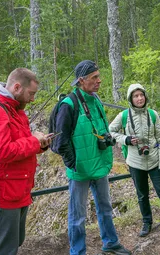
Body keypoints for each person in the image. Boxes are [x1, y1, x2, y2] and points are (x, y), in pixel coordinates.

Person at [54, 60, 131, 255]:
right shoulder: (68, 104)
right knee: (77, 216)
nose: (99, 80)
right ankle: (77, 251)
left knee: (105, 207)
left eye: (98, 76)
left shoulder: (95, 99)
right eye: (94, 77)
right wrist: (73, 163)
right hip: (80, 170)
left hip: (99, 164)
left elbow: (101, 128)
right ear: (81, 80)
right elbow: (60, 140)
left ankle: (111, 242)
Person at [0, 68, 52, 255]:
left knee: (14, 243)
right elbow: (1, 152)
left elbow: (21, 145)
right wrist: (33, 141)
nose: (32, 99)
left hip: (18, 189)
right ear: (17, 87)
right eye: (31, 94)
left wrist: (39, 143)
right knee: (3, 250)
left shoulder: (16, 110)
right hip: (3, 194)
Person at [109, 83, 160, 241]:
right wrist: (126, 139)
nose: (139, 98)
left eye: (141, 95)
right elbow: (111, 130)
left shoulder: (153, 114)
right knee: (142, 195)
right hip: (135, 163)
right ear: (131, 98)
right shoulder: (124, 116)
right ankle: (147, 222)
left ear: (145, 96)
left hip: (155, 161)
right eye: (136, 96)